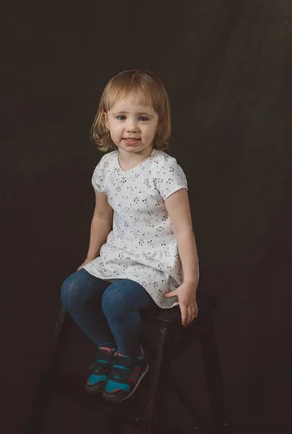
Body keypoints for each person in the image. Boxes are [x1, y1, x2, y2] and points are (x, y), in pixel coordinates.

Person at [60, 69, 199, 403]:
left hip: (156, 262)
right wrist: (92, 256)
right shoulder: (106, 166)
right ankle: (110, 346)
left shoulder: (164, 170)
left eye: (143, 118)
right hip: (119, 253)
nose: (132, 128)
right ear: (106, 120)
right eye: (122, 117)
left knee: (116, 300)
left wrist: (191, 283)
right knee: (73, 290)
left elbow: (184, 229)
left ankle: (131, 357)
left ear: (159, 122)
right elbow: (102, 215)